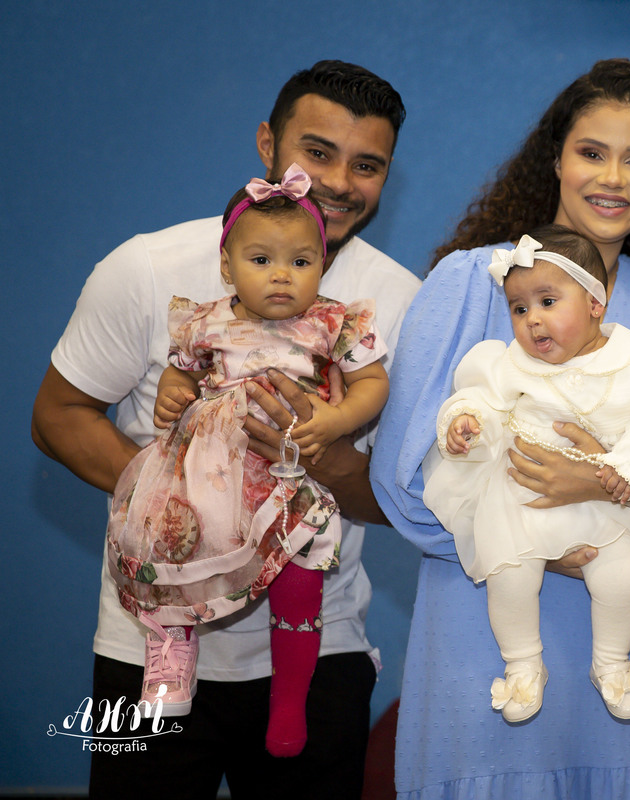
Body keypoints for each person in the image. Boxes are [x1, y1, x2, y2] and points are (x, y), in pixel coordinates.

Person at [32, 61, 419, 798]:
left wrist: (317, 451)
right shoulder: (149, 268)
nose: (340, 182)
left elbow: (410, 500)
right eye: (318, 151)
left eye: (367, 165)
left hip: (322, 653)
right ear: (267, 143)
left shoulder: (398, 304)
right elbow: (57, 417)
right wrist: (177, 502)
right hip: (144, 647)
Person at [370, 59, 630, 798]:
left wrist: (606, 489)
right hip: (481, 620)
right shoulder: (471, 281)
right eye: (592, 152)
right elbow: (399, 474)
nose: (613, 178)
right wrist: (523, 535)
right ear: (555, 158)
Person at [108, 164, 390, 758]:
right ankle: (171, 655)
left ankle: (289, 702)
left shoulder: (334, 322)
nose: (282, 275)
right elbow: (181, 374)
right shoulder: (205, 322)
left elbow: (372, 383)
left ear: (322, 264)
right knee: (169, 545)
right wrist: (171, 394)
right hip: (207, 476)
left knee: (299, 584)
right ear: (226, 265)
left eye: (301, 261)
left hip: (287, 479)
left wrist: (338, 419)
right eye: (261, 260)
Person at [426, 227, 630, 723]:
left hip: (602, 498)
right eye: (518, 308)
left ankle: (612, 664)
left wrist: (626, 466)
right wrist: (465, 421)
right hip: (520, 499)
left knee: (622, 576)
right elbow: (480, 398)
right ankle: (522, 665)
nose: (532, 319)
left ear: (596, 303)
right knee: (509, 575)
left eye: (548, 301)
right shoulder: (508, 363)